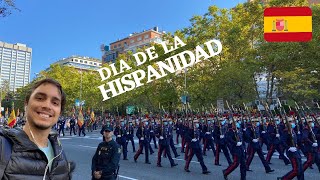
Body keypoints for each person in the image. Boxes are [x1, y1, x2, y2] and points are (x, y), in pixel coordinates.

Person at [0, 78, 75, 179]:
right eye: (40, 98)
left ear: (60, 112)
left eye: (55, 103)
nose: (47, 106)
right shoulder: (3, 145)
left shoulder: (60, 152)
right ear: (26, 104)